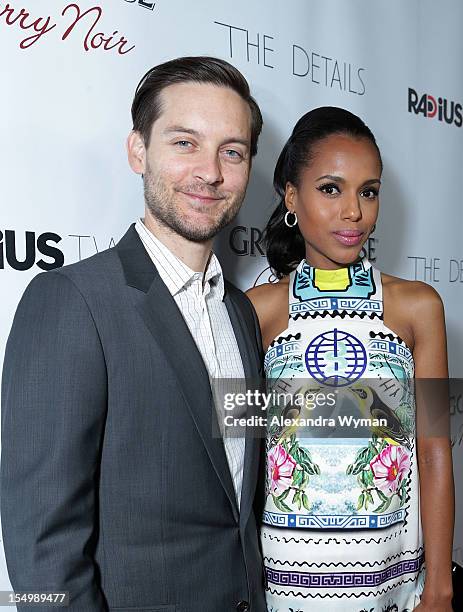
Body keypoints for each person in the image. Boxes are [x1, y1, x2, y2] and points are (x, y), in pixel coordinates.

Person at [1, 56, 267, 612]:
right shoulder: (71, 302)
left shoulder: (240, 313)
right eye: (184, 143)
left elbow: (233, 495)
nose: (211, 172)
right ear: (137, 151)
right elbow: (41, 545)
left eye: (232, 151)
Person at [247, 107, 454, 612]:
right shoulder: (256, 311)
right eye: (331, 189)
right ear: (291, 197)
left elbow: (433, 451)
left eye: (368, 190)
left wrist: (441, 588)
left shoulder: (417, 307)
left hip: (394, 583)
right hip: (283, 585)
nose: (355, 212)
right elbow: (240, 459)